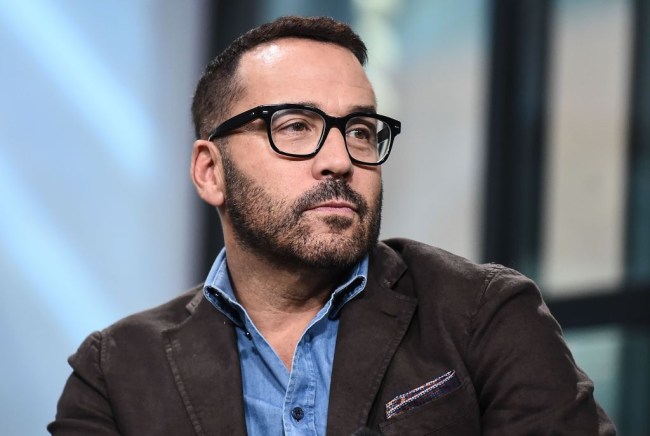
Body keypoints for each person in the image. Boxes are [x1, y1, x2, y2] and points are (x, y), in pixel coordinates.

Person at [49, 15, 615, 435]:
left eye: (361, 132)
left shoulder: (482, 314)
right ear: (210, 172)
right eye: (295, 126)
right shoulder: (115, 373)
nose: (340, 160)